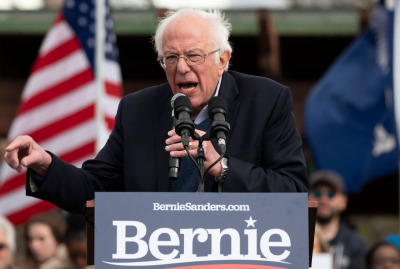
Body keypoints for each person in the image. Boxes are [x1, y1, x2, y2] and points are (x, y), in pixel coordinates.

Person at [3, 8, 308, 214]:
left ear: (223, 59)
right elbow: (95, 189)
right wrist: (45, 165)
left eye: (193, 55)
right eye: (171, 57)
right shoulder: (138, 109)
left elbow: (292, 191)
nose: (182, 67)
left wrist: (221, 165)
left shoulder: (267, 100)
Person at [309, 170, 368, 269]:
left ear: (343, 202)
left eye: (331, 194)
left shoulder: (356, 245)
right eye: (317, 193)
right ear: (308, 198)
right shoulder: (293, 238)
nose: (323, 199)